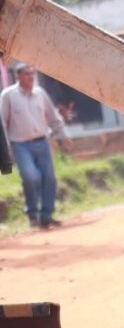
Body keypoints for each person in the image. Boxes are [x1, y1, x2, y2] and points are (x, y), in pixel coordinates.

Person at [0, 63, 69, 228]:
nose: (31, 77)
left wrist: (63, 135)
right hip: (20, 145)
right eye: (26, 74)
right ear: (18, 77)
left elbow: (53, 117)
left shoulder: (40, 93)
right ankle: (32, 213)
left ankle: (46, 215)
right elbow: (2, 122)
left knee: (49, 178)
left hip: (42, 142)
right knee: (31, 177)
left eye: (32, 74)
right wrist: (5, 148)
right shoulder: (8, 95)